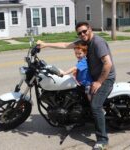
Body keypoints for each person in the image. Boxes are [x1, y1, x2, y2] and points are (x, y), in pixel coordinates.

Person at [37, 22, 116, 150]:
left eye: (84, 31)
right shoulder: (84, 42)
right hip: (92, 76)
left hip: (105, 78)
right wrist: (45, 45)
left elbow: (108, 64)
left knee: (95, 106)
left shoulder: (98, 42)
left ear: (90, 29)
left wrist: (99, 82)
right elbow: (65, 45)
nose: (82, 34)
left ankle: (102, 140)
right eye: (79, 33)